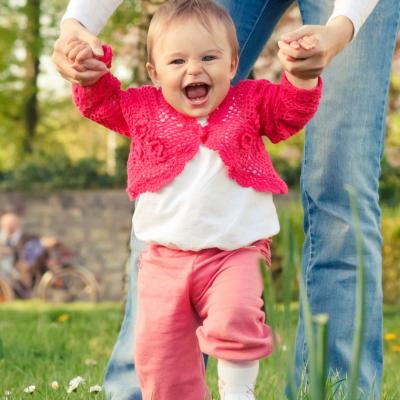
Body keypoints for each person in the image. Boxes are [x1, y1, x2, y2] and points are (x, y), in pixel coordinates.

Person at [52, 0, 400, 399]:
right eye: (178, 63)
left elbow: (285, 111)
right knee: (161, 347)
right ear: (153, 73)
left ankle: (326, 391)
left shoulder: (249, 102)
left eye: (209, 60)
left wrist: (306, 74)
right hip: (167, 257)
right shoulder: (145, 107)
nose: (194, 70)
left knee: (343, 193)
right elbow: (105, 103)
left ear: (234, 67)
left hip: (235, 253)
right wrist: (79, 40)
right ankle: (138, 391)